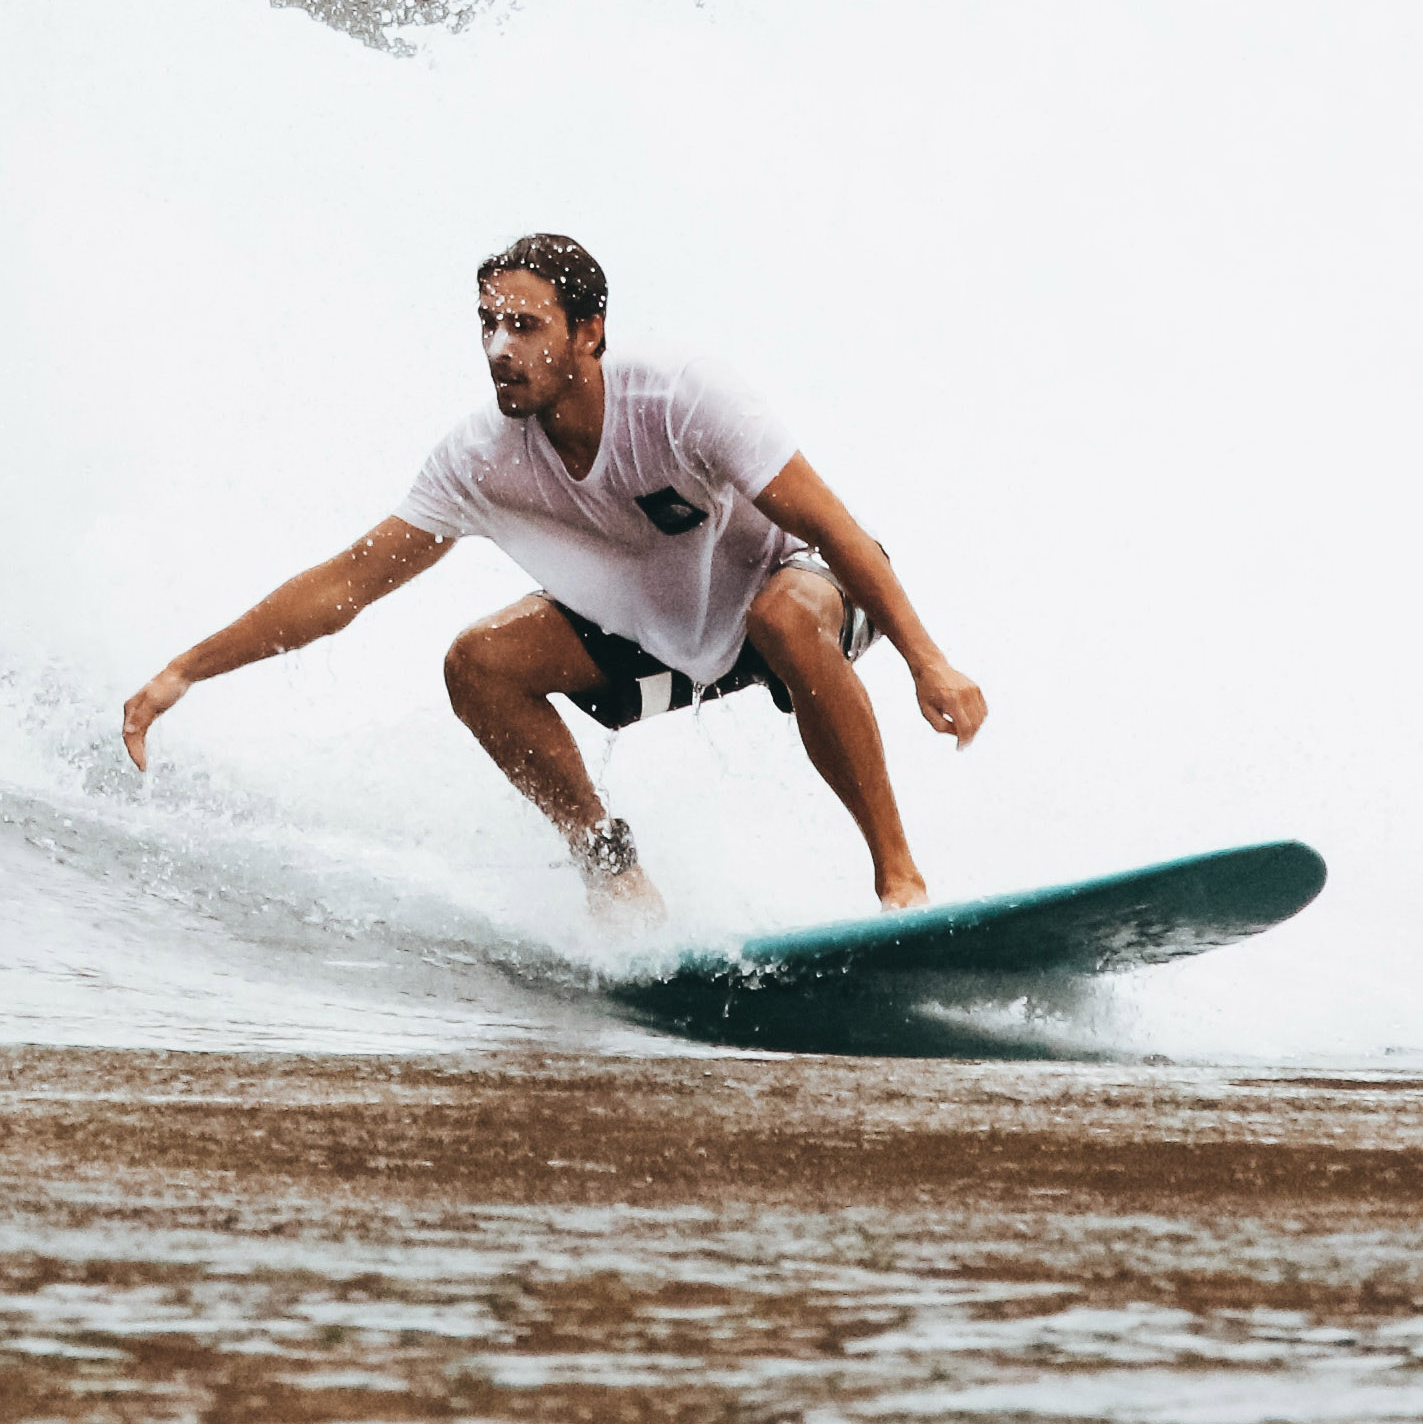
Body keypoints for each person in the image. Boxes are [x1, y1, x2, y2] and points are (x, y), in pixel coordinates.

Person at [121, 232, 987, 922]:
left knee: (785, 617)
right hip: (669, 639)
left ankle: (897, 882)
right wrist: (182, 672)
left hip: (802, 586)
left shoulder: (681, 397)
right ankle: (610, 871)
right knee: (479, 663)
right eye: (487, 326)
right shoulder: (480, 458)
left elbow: (834, 530)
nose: (499, 348)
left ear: (589, 333)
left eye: (524, 326)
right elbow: (345, 584)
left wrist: (927, 661)